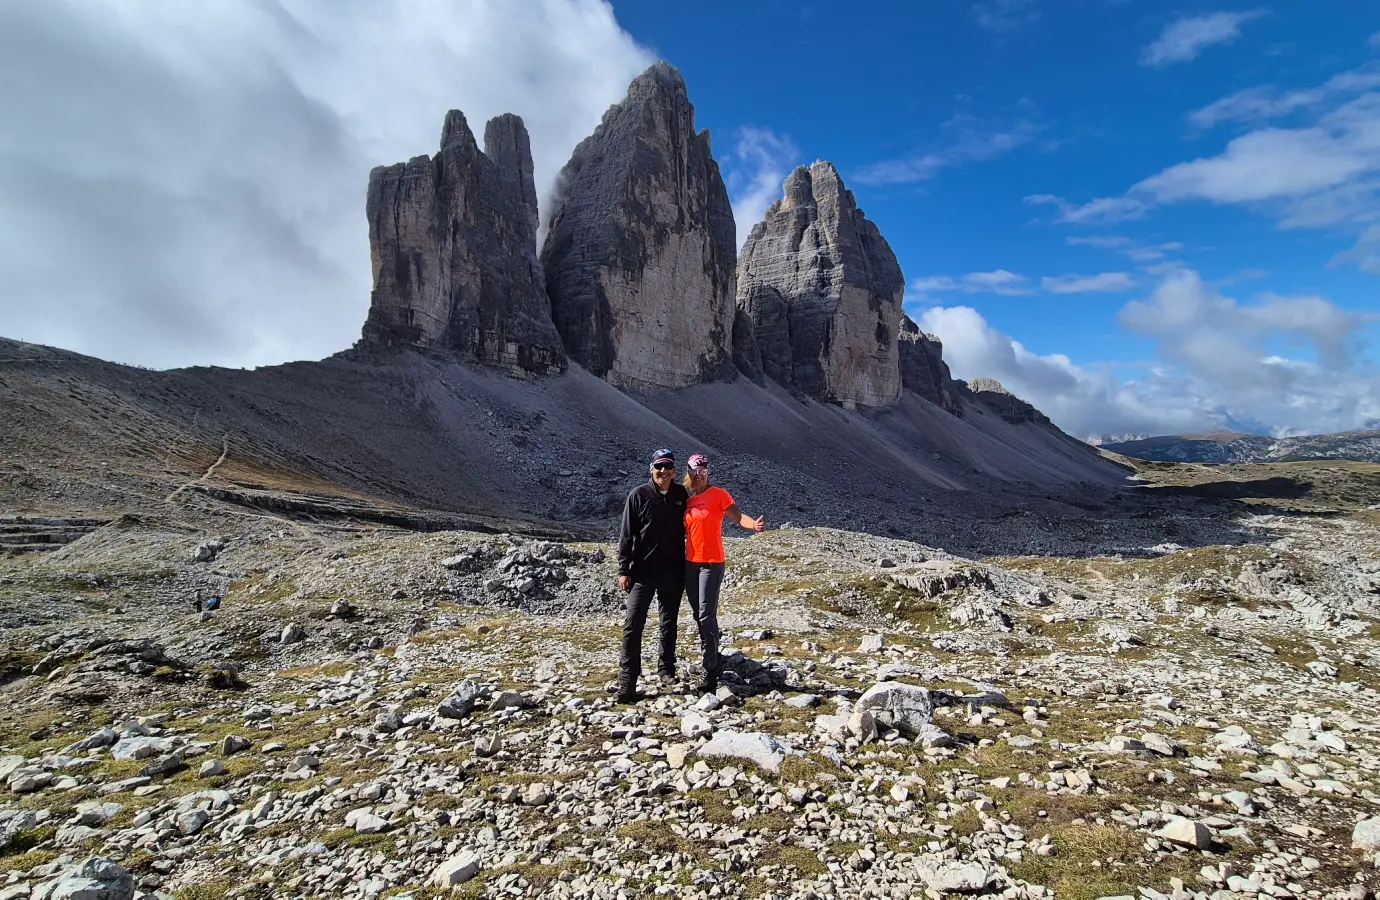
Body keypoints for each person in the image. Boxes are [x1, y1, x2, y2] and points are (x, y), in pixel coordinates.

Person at [683, 453, 765, 695]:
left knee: (707, 614)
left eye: (703, 471)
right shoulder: (688, 502)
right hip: (690, 564)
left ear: (708, 472)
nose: (699, 474)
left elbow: (739, 517)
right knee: (699, 614)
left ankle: (710, 669)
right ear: (688, 472)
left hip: (711, 563)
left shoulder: (719, 495)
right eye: (695, 471)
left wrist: (754, 525)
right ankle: (712, 653)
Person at [615, 448, 690, 704]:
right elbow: (627, 534)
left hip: (673, 571)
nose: (663, 471)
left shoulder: (681, 494)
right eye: (659, 467)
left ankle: (666, 670)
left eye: (667, 467)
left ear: (674, 471)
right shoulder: (638, 495)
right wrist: (624, 569)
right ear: (652, 469)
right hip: (643, 572)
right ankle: (627, 680)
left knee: (668, 622)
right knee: (632, 625)